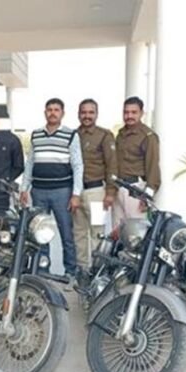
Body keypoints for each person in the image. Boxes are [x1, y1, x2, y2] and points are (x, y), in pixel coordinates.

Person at [20, 98, 83, 278]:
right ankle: (42, 269)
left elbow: (78, 165)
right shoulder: (36, 135)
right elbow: (30, 163)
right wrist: (24, 188)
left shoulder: (71, 135)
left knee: (66, 233)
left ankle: (70, 272)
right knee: (39, 233)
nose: (53, 113)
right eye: (49, 110)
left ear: (62, 113)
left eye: (56, 110)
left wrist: (76, 194)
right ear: (45, 112)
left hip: (62, 192)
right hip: (38, 191)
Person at [74, 98, 118, 270]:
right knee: (78, 233)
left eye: (91, 112)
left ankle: (95, 270)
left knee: (97, 233)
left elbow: (112, 165)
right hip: (76, 192)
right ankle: (82, 270)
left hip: (97, 192)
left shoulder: (104, 135)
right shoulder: (73, 135)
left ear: (96, 114)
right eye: (84, 112)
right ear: (78, 114)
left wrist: (110, 192)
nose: (87, 116)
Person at [113, 96, 161, 226]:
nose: (129, 116)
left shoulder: (148, 136)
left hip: (136, 190)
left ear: (141, 113)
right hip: (119, 187)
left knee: (135, 232)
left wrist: (147, 196)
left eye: (134, 112)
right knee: (118, 232)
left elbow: (153, 167)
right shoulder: (121, 134)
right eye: (126, 112)